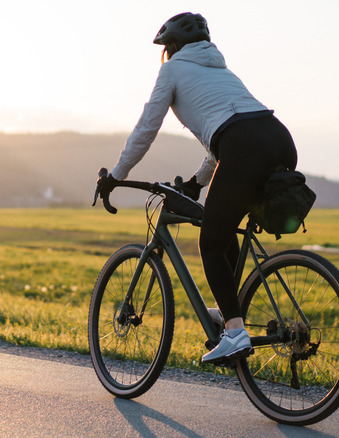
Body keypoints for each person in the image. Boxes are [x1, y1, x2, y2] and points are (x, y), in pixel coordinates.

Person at [99, 12, 297, 364]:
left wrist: (116, 174)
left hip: (242, 147)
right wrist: (196, 183)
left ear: (171, 48)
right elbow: (224, 138)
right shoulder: (222, 71)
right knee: (224, 230)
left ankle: (235, 333)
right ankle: (230, 314)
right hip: (279, 139)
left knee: (211, 241)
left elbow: (147, 128)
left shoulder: (172, 70)